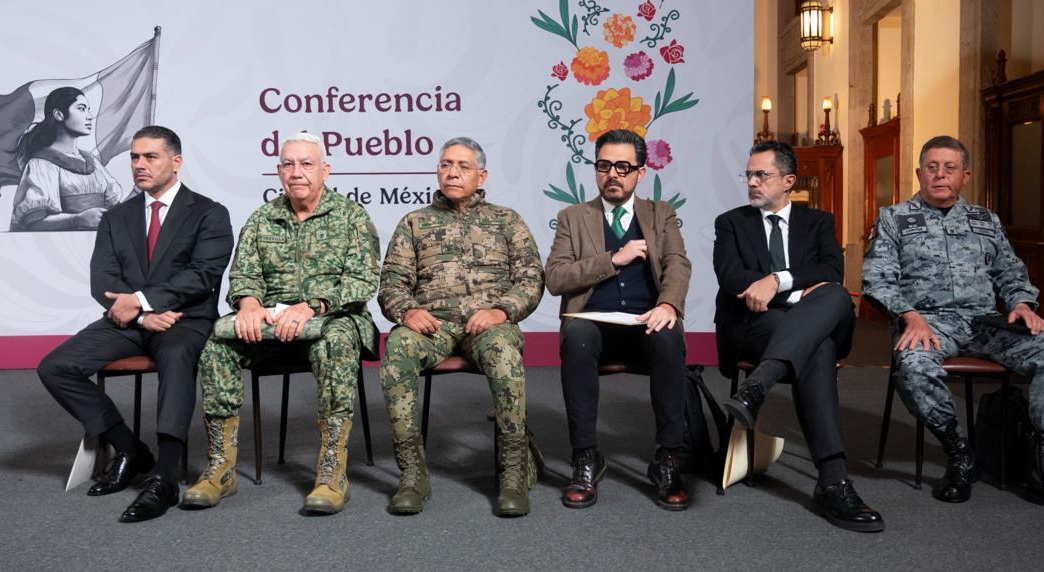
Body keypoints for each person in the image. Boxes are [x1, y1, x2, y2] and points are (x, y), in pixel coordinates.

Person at [863, 135, 1044, 517]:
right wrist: (909, 315)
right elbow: (877, 279)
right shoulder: (894, 218)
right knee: (913, 368)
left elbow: (1010, 272)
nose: (940, 175)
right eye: (932, 168)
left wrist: (1021, 303)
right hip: (928, 323)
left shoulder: (985, 220)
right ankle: (961, 456)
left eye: (949, 168)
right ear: (919, 173)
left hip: (983, 323)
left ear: (965, 176)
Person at [36, 125, 233, 523]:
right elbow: (103, 280)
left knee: (176, 356)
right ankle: (129, 449)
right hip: (128, 322)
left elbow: (203, 275)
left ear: (176, 162)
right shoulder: (116, 217)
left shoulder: (209, 212)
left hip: (184, 321)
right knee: (55, 366)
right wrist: (142, 315)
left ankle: (165, 476)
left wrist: (144, 300)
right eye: (134, 157)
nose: (139, 165)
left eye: (150, 157)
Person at [181, 132, 380, 515]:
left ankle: (331, 474)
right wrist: (249, 305)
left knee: (335, 341)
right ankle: (221, 468)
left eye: (306, 164)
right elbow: (243, 275)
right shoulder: (262, 219)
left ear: (325, 170)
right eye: (288, 164)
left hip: (333, 318)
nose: (296, 172)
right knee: (217, 346)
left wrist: (313, 306)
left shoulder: (352, 217)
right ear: (278, 171)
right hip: (271, 324)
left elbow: (362, 281)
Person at [714, 140, 884, 532]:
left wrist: (776, 281)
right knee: (818, 347)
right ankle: (833, 482)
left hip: (801, 319)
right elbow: (733, 279)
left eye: (762, 175)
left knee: (835, 294)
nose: (752, 182)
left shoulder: (818, 222)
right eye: (749, 175)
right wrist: (799, 291)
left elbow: (831, 271)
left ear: (788, 181)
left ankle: (759, 385)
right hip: (758, 325)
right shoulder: (732, 222)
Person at [377, 137, 545, 517]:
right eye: (445, 164)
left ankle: (513, 475)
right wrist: (407, 312)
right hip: (431, 325)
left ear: (481, 176)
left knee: (504, 356)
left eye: (463, 166)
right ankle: (413, 475)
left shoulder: (506, 221)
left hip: (488, 325)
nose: (452, 172)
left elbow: (531, 278)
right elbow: (391, 284)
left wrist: (502, 311)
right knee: (397, 350)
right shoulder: (414, 223)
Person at [545, 129, 692, 511]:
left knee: (668, 337)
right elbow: (556, 278)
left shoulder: (661, 214)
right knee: (577, 336)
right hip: (592, 322)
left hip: (646, 319)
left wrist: (668, 305)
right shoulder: (573, 217)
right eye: (604, 165)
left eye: (623, 167)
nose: (612, 174)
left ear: (640, 172)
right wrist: (613, 259)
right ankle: (585, 457)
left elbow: (677, 264)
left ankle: (668, 458)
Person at [10, 87, 122, 231]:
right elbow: (33, 222)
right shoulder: (42, 164)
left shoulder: (92, 162)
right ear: (59, 114)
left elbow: (114, 207)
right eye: (81, 109)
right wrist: (77, 220)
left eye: (88, 110)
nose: (89, 116)